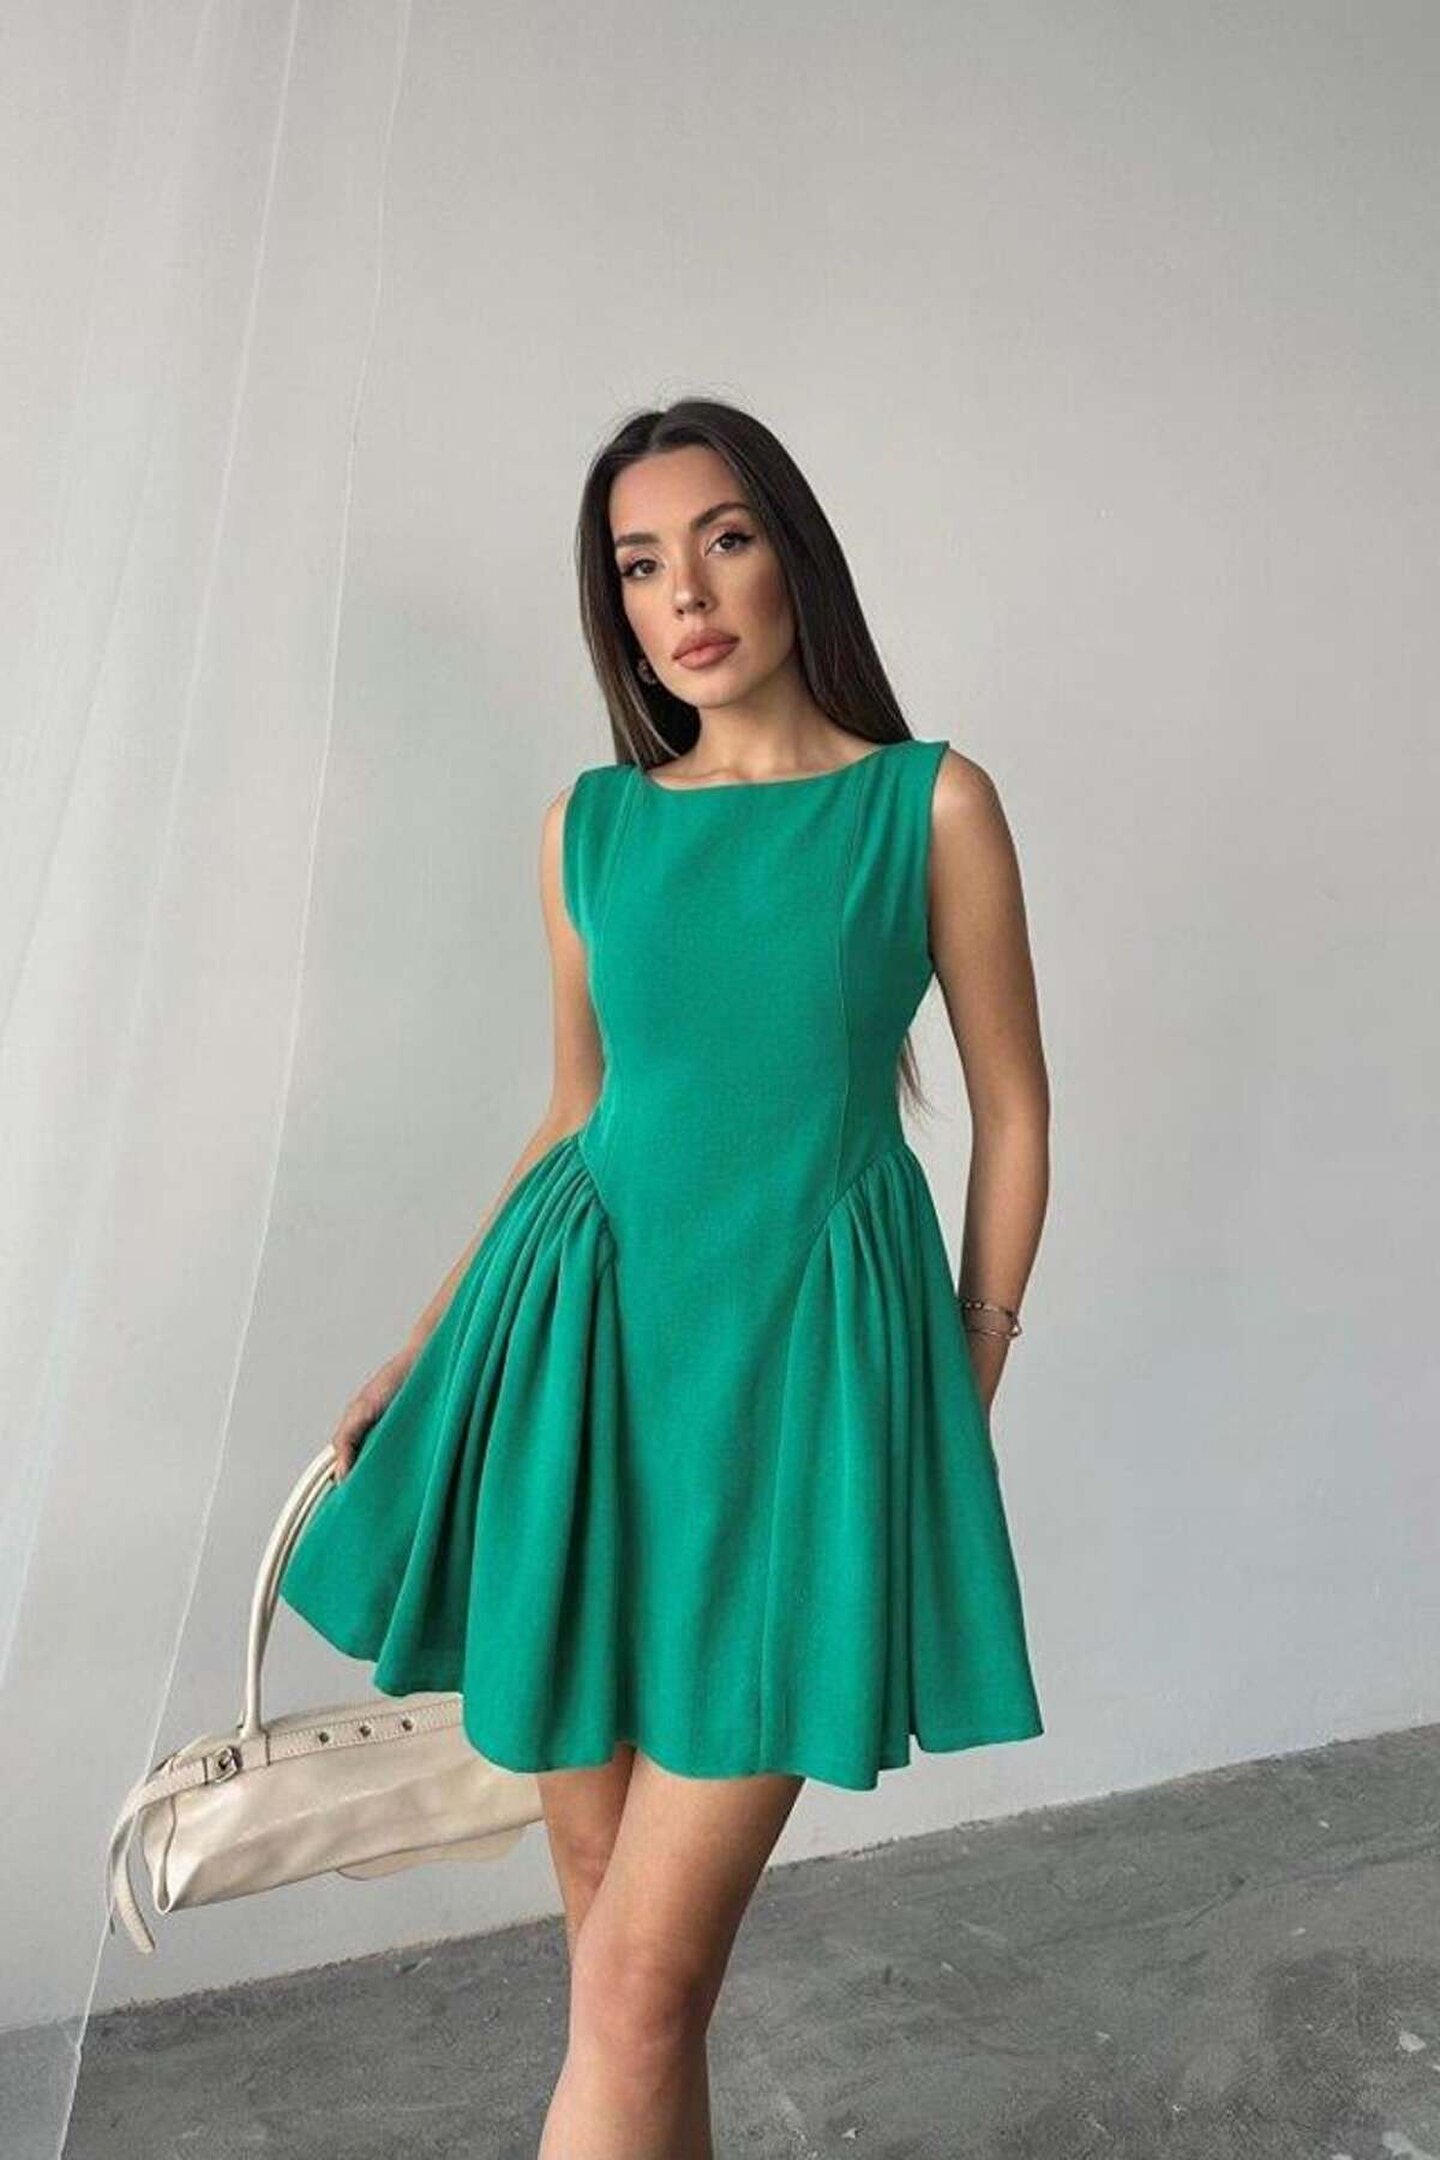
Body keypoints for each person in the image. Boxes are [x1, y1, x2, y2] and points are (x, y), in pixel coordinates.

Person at [278, 396, 1050, 2159]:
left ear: (793, 557)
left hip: (796, 1407)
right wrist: (425, 1346)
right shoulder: (590, 828)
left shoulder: (928, 806)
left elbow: (1013, 1113)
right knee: (616, 1967)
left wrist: (964, 1372)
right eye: (639, 565)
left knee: (635, 1990)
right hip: (579, 1387)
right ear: (615, 608)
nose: (685, 594)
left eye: (724, 539)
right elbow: (578, 1115)